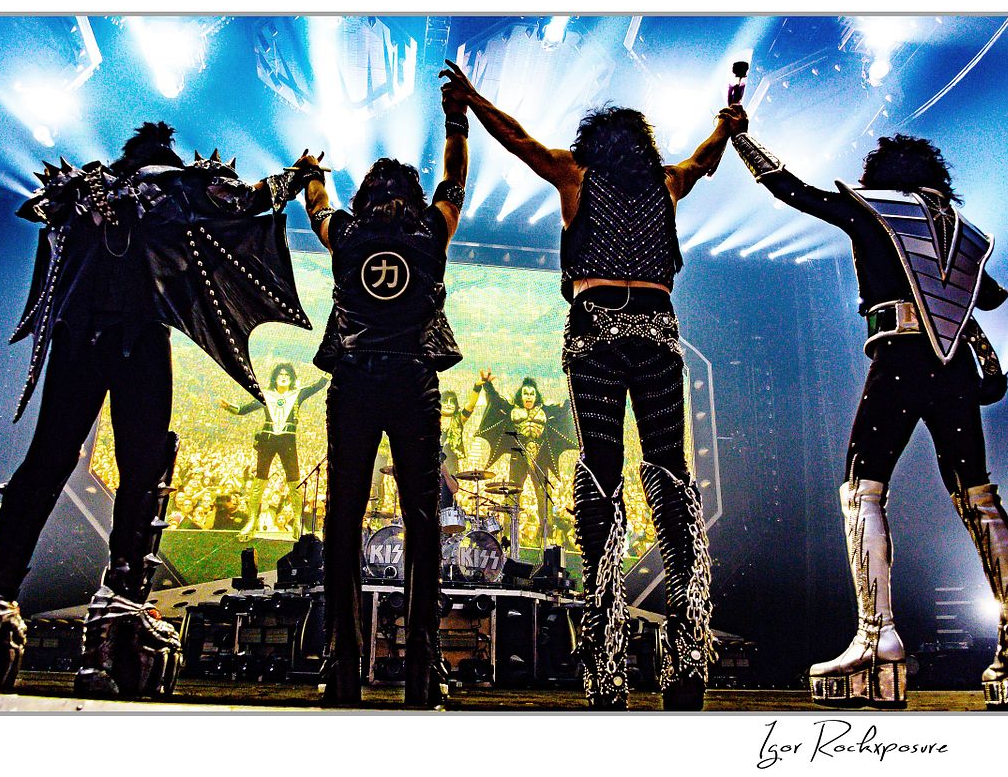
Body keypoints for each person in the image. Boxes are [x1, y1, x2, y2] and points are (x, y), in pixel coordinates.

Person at [440, 60, 746, 709]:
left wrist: (470, 99)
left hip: (598, 335)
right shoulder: (667, 183)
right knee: (671, 474)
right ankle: (687, 649)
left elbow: (517, 139)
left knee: (601, 476)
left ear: (593, 145)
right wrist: (725, 123)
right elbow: (705, 159)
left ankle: (606, 657)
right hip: (659, 335)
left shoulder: (576, 176)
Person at [0, 122, 312, 697]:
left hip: (76, 337)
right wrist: (298, 175)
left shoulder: (80, 190)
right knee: (144, 467)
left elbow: (39, 218)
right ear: (168, 155)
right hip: (138, 337)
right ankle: (119, 617)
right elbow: (250, 200)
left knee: (48, 460)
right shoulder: (180, 184)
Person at [730, 129, 1008, 709]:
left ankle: (877, 639)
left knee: (862, 489)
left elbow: (793, 191)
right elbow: (990, 297)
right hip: (956, 366)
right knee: (978, 496)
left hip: (901, 356)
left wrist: (741, 139)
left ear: (879, 172)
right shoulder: (965, 232)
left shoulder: (875, 209)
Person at [293, 73, 470, 708]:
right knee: (422, 522)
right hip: (415, 382)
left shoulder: (345, 234)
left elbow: (316, 206)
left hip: (355, 380)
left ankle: (340, 664)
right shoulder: (432, 229)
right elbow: (455, 184)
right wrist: (456, 122)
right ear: (410, 194)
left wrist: (313, 172)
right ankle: (424, 669)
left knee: (344, 516)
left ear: (365, 195)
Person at [220, 362, 328, 539]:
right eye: (280, 375)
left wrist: (329, 370)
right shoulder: (266, 395)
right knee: (259, 479)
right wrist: (229, 407)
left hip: (287, 440)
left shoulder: (298, 393)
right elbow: (243, 409)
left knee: (294, 481)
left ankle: (297, 521)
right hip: (267, 440)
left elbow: (318, 386)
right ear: (275, 378)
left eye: (287, 375)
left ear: (292, 378)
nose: (283, 377)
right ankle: (252, 521)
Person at [471, 370, 576, 546]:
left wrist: (574, 386)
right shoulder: (512, 410)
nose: (529, 396)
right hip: (517, 457)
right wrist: (487, 385)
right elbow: (496, 402)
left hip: (540, 458)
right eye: (526, 393)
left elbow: (564, 408)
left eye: (532, 393)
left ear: (536, 396)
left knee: (544, 496)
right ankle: (509, 537)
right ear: (521, 395)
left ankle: (545, 538)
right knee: (512, 495)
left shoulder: (546, 411)